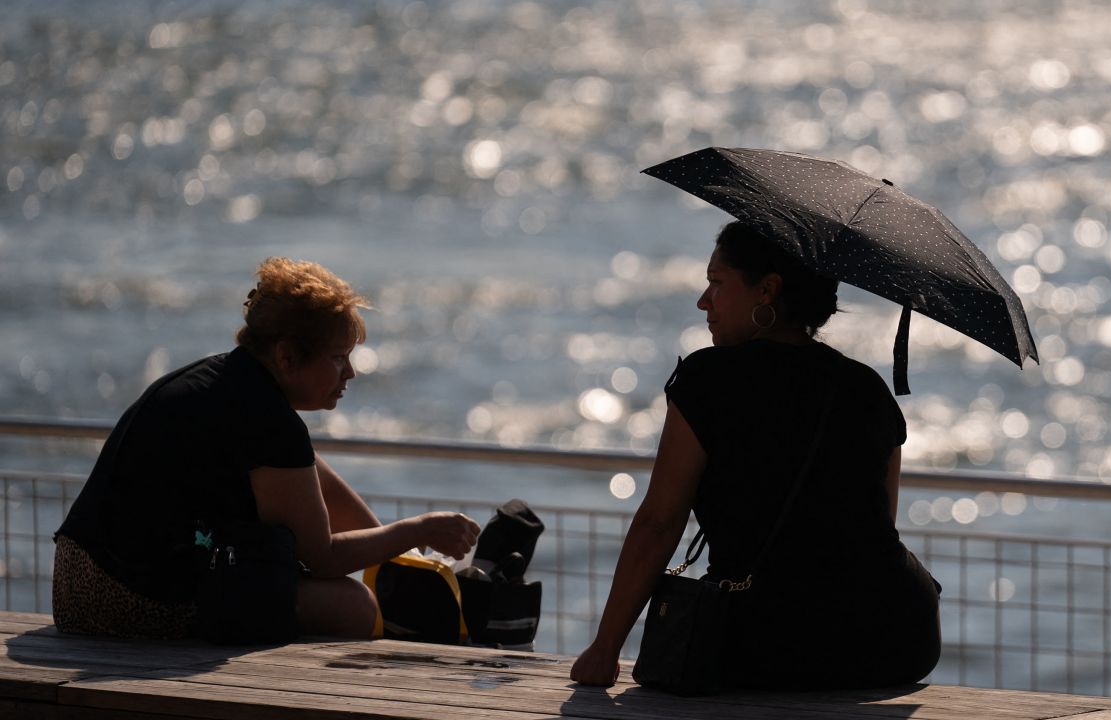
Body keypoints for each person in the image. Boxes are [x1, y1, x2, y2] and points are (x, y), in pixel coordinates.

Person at [571, 221, 941, 690]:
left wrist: (604, 651)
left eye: (717, 284)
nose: (704, 302)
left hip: (767, 644)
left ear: (767, 290)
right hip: (894, 642)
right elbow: (877, 529)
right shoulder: (868, 388)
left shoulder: (708, 380)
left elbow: (659, 524)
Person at [53, 257, 481, 640]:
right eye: (337, 358)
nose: (351, 372)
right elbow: (322, 558)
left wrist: (394, 556)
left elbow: (306, 472)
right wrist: (419, 529)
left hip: (75, 580)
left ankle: (402, 571)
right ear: (287, 357)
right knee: (352, 606)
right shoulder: (270, 422)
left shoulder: (228, 381)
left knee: (307, 498)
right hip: (123, 599)